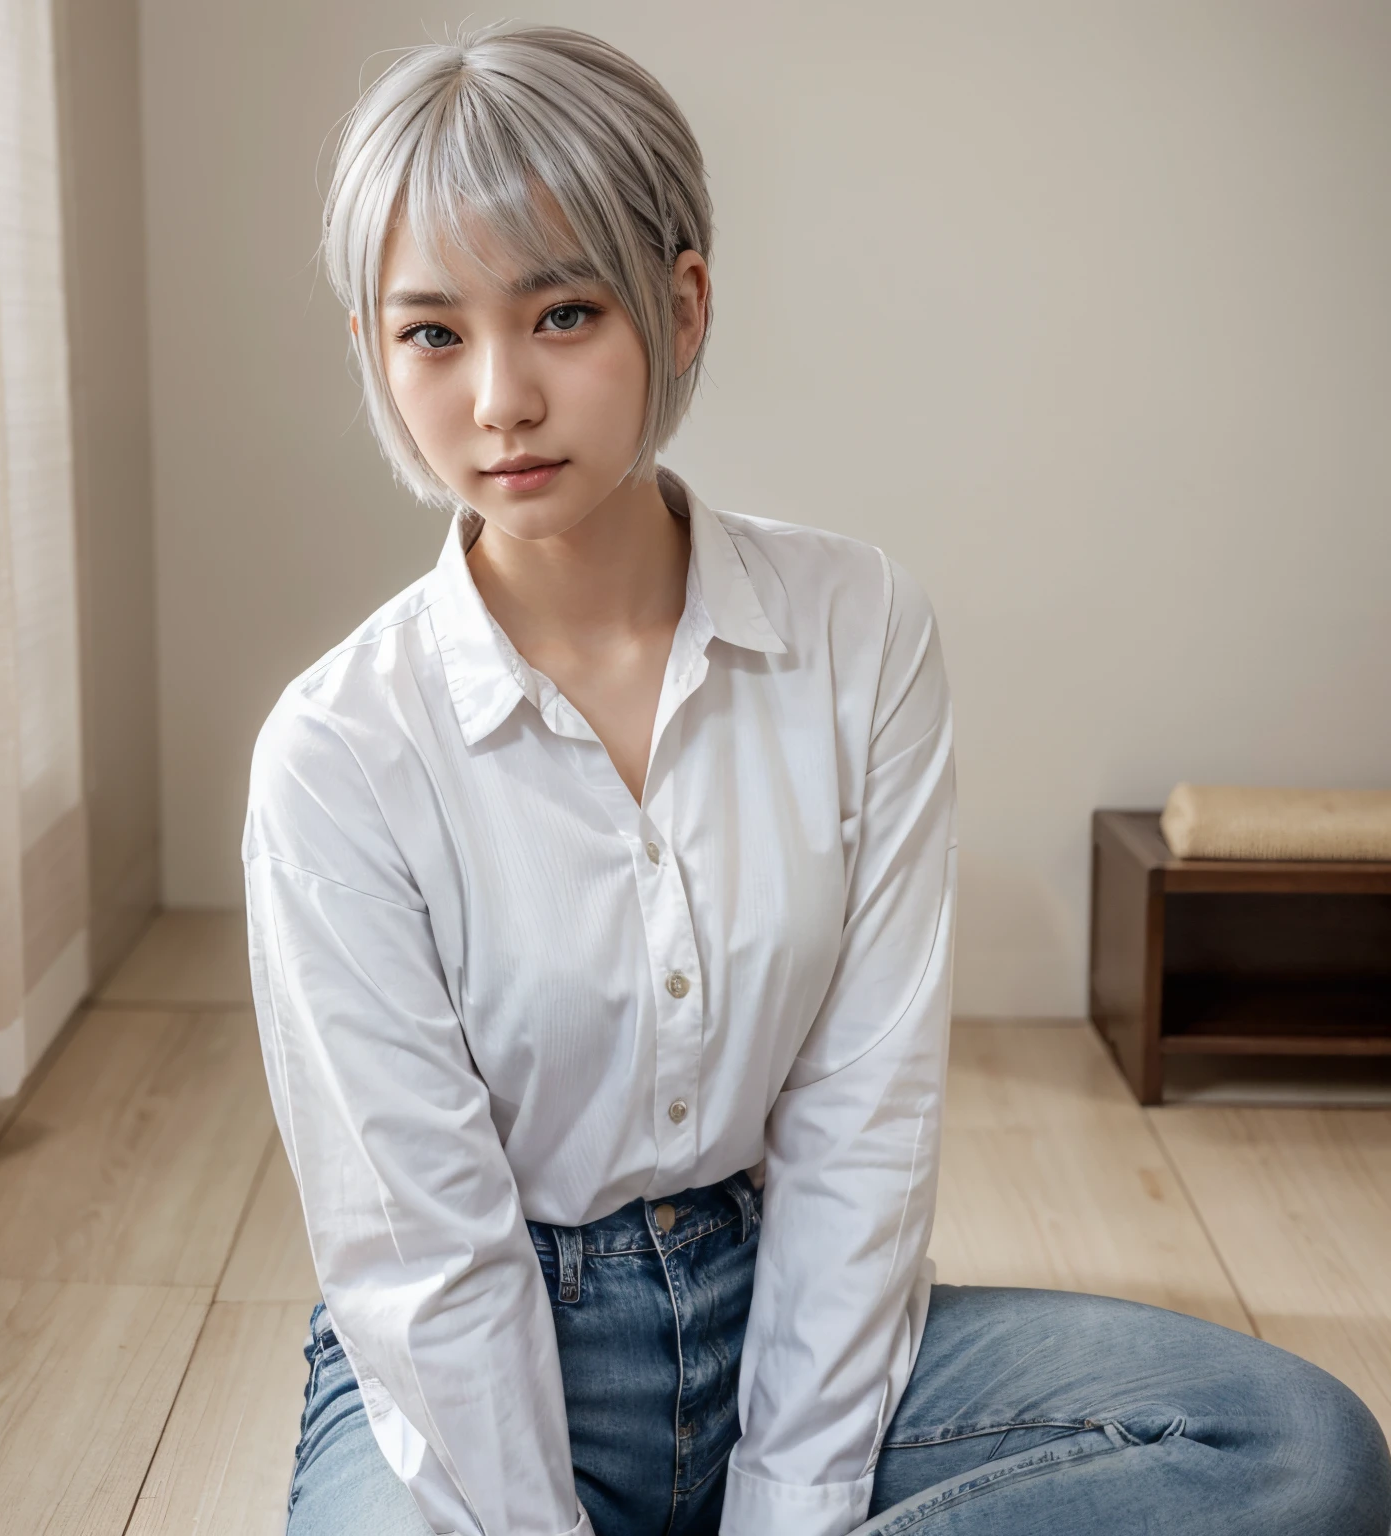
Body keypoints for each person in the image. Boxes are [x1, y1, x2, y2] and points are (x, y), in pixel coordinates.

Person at [241, 25, 1391, 1536]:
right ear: (373, 354)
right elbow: (423, 1253)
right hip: (481, 1364)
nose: (500, 399)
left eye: (564, 313)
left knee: (1297, 1450)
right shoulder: (335, 751)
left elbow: (864, 1114)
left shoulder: (860, 632)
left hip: (779, 1308)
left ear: (683, 300)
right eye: (433, 334)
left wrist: (795, 1503)